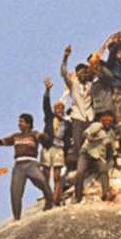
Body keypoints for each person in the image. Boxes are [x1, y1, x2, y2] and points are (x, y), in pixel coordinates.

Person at [0, 113, 54, 221]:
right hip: (19, 166)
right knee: (15, 192)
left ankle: (49, 202)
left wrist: (44, 135)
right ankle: (16, 217)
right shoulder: (15, 136)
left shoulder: (34, 134)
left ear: (28, 124)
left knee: (42, 181)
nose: (19, 124)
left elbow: (44, 137)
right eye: (19, 121)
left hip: (31, 163)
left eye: (22, 121)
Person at [61, 45, 94, 159]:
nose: (83, 75)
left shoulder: (91, 85)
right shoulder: (73, 85)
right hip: (77, 118)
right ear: (77, 75)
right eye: (81, 73)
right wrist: (65, 58)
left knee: (91, 144)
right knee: (78, 143)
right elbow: (64, 74)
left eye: (85, 72)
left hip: (89, 118)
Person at [41, 77, 70, 206]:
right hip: (48, 147)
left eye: (61, 108)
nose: (59, 110)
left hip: (59, 148)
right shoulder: (49, 118)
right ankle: (47, 198)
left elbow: (67, 137)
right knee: (46, 175)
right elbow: (46, 105)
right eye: (57, 108)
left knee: (57, 176)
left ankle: (55, 198)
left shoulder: (66, 123)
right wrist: (47, 90)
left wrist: (66, 149)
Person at [75, 115, 116, 203]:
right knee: (80, 172)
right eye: (106, 120)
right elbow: (86, 132)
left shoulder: (111, 133)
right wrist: (88, 137)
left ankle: (106, 193)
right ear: (102, 121)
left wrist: (111, 149)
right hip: (86, 153)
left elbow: (112, 147)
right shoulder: (97, 126)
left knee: (104, 170)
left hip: (98, 156)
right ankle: (77, 196)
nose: (108, 122)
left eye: (110, 121)